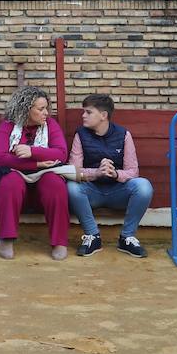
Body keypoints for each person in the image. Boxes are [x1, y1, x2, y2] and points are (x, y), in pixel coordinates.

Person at [65, 94, 153, 258]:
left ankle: (127, 237)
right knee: (71, 187)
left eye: (88, 112)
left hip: (118, 192)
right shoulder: (81, 135)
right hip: (92, 192)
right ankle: (93, 236)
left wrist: (115, 173)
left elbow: (133, 172)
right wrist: (97, 172)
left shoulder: (123, 134)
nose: (83, 116)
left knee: (144, 186)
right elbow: (73, 170)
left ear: (103, 115)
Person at [0, 85, 70, 260]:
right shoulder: (8, 126)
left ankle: (59, 241)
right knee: (10, 182)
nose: (46, 113)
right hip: (18, 175)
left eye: (46, 108)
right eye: (41, 109)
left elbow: (61, 153)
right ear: (26, 110)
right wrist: (36, 164)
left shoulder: (51, 125)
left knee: (55, 184)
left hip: (45, 176)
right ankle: (6, 238)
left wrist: (32, 151)